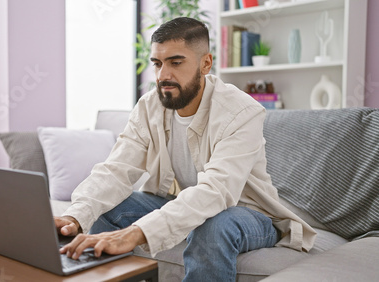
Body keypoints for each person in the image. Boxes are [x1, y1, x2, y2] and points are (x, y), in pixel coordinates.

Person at [55, 17, 316, 281]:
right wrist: (73, 217)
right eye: (157, 64)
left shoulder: (242, 112)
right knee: (107, 206)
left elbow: (216, 192)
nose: (163, 75)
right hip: (182, 201)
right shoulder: (149, 107)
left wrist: (137, 232)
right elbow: (115, 171)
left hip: (248, 213)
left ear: (205, 63)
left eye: (176, 63)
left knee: (215, 225)